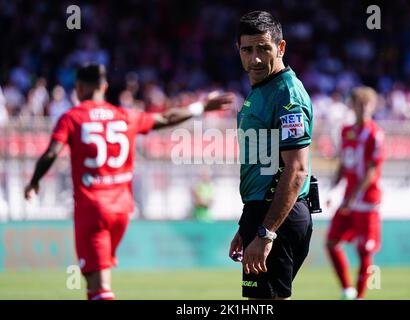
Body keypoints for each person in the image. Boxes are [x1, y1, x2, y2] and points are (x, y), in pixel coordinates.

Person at [23, 64, 234, 300]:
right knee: (96, 284)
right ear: (104, 87)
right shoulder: (125, 116)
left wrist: (34, 182)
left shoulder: (72, 118)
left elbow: (52, 153)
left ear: (79, 88)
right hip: (121, 211)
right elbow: (166, 117)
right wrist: (201, 106)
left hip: (93, 209)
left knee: (99, 285)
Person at [228, 11, 314, 300]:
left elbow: (297, 170)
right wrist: (247, 224)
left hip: (278, 218)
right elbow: (263, 168)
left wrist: (266, 232)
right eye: (247, 49)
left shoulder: (286, 94)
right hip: (262, 213)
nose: (255, 58)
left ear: (281, 48)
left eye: (263, 48)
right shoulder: (262, 90)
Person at [325, 86, 384, 300]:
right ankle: (347, 290)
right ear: (353, 106)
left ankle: (360, 296)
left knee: (365, 251)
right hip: (348, 199)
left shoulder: (375, 134)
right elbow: (344, 164)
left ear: (372, 106)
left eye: (366, 104)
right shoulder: (347, 131)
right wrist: (334, 189)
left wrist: (352, 197)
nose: (362, 109)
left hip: (367, 202)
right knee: (331, 242)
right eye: (358, 104)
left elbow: (371, 170)